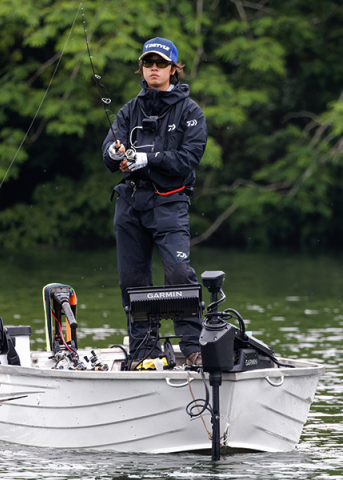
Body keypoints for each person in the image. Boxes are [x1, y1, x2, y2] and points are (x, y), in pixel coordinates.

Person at [102, 37, 208, 367]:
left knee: (178, 272)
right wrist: (114, 153)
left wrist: (147, 159)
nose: (154, 69)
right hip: (131, 203)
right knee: (132, 280)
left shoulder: (191, 112)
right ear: (142, 68)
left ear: (174, 70)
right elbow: (107, 153)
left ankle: (192, 348)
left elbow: (188, 158)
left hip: (170, 203)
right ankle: (144, 351)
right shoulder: (128, 110)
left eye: (161, 64)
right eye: (148, 63)